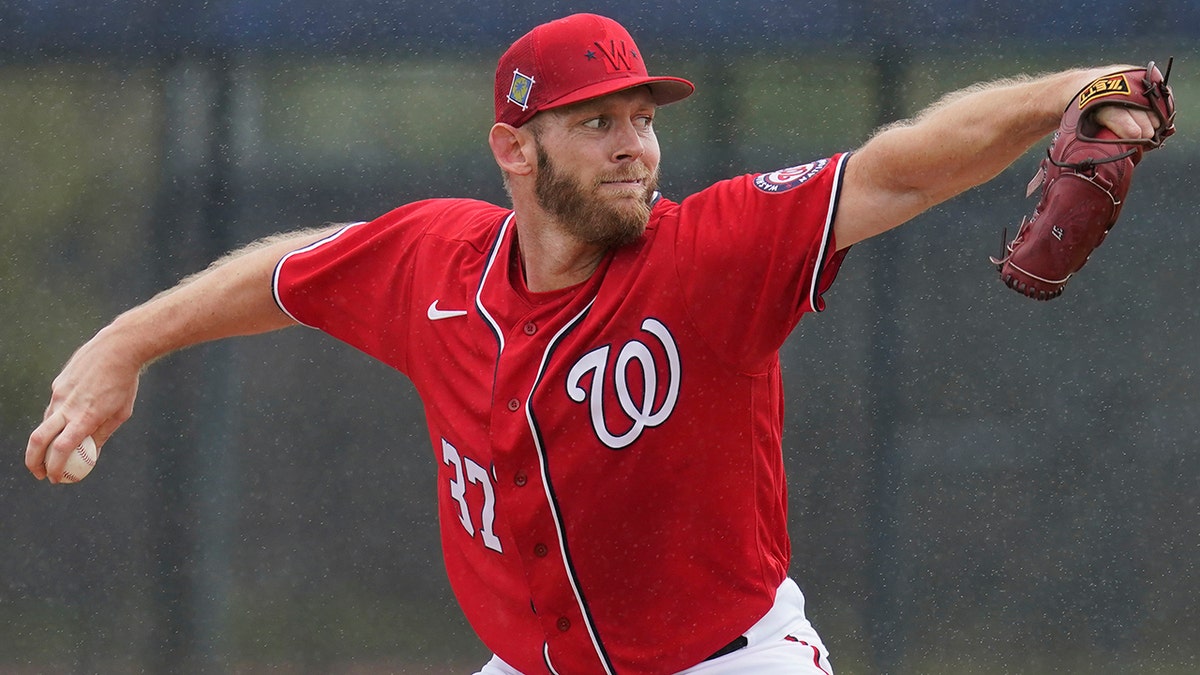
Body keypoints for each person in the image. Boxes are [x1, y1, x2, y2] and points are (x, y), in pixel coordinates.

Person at [26, 12, 1162, 675]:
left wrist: (1072, 86)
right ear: (514, 150)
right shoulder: (435, 265)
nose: (634, 149)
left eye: (643, 121)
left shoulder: (711, 254)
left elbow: (906, 161)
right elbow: (282, 275)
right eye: (596, 124)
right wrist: (128, 341)